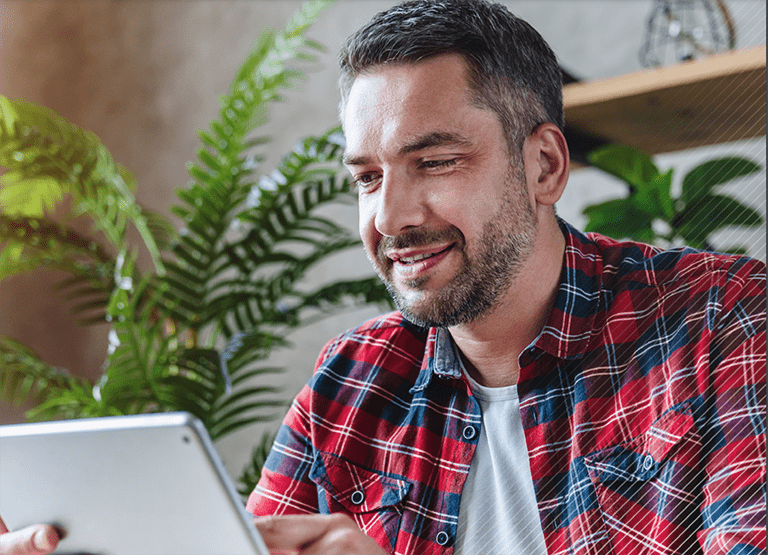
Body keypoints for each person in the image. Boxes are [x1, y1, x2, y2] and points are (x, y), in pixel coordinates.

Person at [2, 1, 765, 554]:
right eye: (367, 177)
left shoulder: (723, 321)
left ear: (544, 166)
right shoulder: (352, 382)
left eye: (434, 161)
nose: (391, 215)